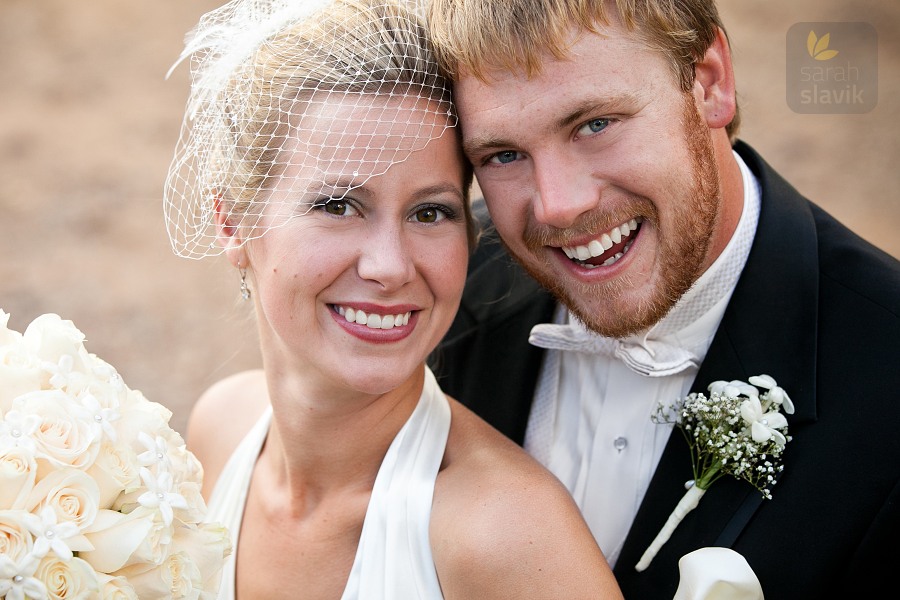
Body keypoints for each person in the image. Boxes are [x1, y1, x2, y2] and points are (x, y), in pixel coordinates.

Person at [425, 1, 900, 598]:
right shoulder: (440, 292)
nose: (557, 205)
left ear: (709, 85)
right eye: (503, 155)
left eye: (595, 124)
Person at [164, 0, 623, 598]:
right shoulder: (219, 427)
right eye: (338, 206)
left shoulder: (506, 537)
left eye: (430, 212)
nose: (390, 267)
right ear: (231, 223)